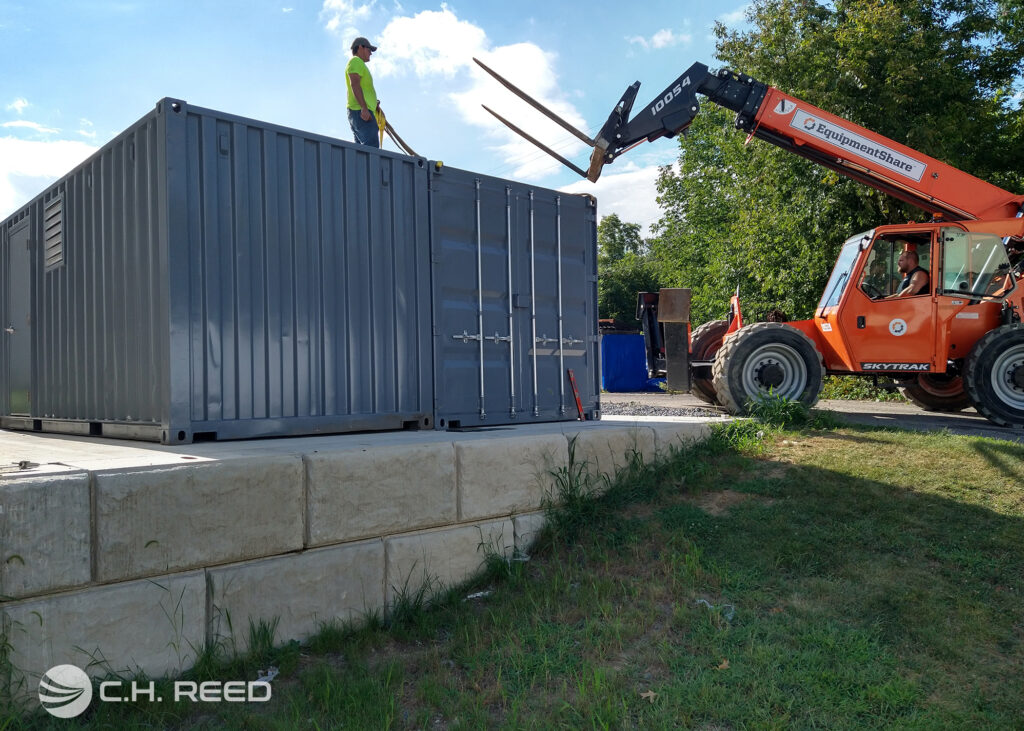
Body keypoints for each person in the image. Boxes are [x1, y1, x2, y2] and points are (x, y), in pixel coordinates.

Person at [346, 36, 381, 147]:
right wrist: (364, 108)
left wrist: (373, 103)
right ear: (360, 47)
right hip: (361, 112)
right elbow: (355, 84)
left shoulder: (358, 63)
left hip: (359, 112)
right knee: (371, 149)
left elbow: (359, 88)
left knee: (361, 152)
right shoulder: (356, 61)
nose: (371, 53)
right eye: (369, 49)